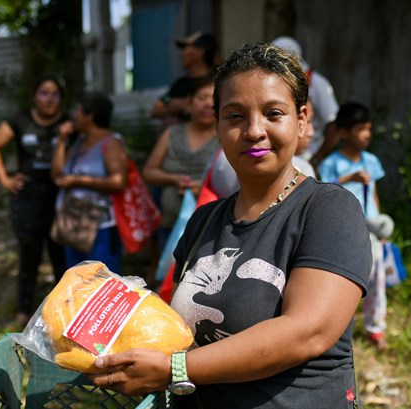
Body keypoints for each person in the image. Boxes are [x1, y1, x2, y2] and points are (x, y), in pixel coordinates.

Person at [88, 42, 372, 408]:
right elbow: (177, 329)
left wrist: (175, 368)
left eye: (273, 113)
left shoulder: (328, 209)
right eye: (235, 116)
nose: (254, 131)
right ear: (218, 124)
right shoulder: (204, 220)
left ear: (301, 120)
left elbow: (308, 332)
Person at [0, 76, 68, 327]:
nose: (49, 99)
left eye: (55, 94)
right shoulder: (20, 120)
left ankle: (61, 317)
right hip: (28, 196)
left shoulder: (67, 124)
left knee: (60, 257)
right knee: (28, 256)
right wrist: (4, 179)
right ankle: (23, 312)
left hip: (59, 196)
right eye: (44, 93)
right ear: (34, 96)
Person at [318, 101, 395, 349]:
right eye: (361, 129)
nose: (367, 135)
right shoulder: (331, 163)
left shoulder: (371, 161)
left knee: (377, 276)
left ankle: (375, 327)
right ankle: (337, 328)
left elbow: (374, 194)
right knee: (344, 281)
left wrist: (380, 225)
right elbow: (325, 189)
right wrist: (349, 177)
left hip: (370, 228)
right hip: (344, 229)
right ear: (343, 133)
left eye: (369, 129)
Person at [51, 91, 128, 274]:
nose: (73, 117)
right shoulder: (78, 143)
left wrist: (78, 181)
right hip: (73, 222)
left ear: (90, 115)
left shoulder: (111, 143)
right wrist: (61, 141)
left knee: (102, 279)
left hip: (100, 225)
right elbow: (57, 174)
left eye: (77, 111)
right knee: (76, 278)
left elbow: (118, 181)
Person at [143, 76, 219, 253]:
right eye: (202, 98)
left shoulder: (225, 137)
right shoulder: (172, 133)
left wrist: (205, 187)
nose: (208, 104)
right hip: (170, 226)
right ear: (189, 103)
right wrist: (173, 179)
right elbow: (149, 171)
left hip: (211, 228)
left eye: (214, 99)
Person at [271, 36, 339, 170]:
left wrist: (319, 156)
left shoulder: (318, 83)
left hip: (310, 154)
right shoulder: (275, 82)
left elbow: (333, 122)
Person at [150, 31, 219, 129]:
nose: (181, 54)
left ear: (200, 52)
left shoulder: (219, 81)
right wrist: (177, 103)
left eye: (185, 48)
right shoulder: (181, 84)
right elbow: (155, 110)